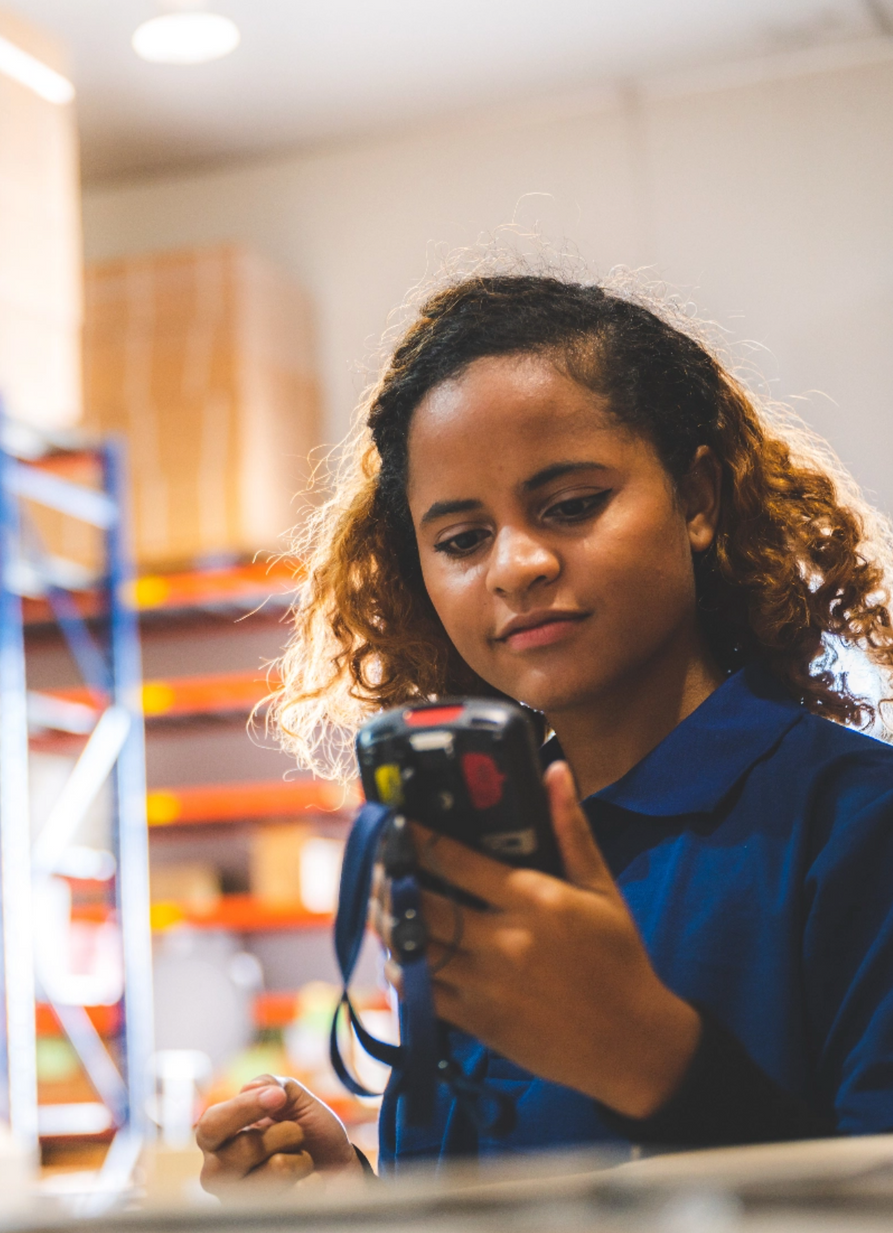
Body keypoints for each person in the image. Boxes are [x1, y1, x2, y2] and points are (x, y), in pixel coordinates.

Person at [195, 268, 893, 1192]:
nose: (516, 565)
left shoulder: (855, 826)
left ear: (697, 499)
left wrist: (654, 1061)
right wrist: (354, 1198)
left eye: (570, 505)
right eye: (461, 539)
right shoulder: (474, 851)